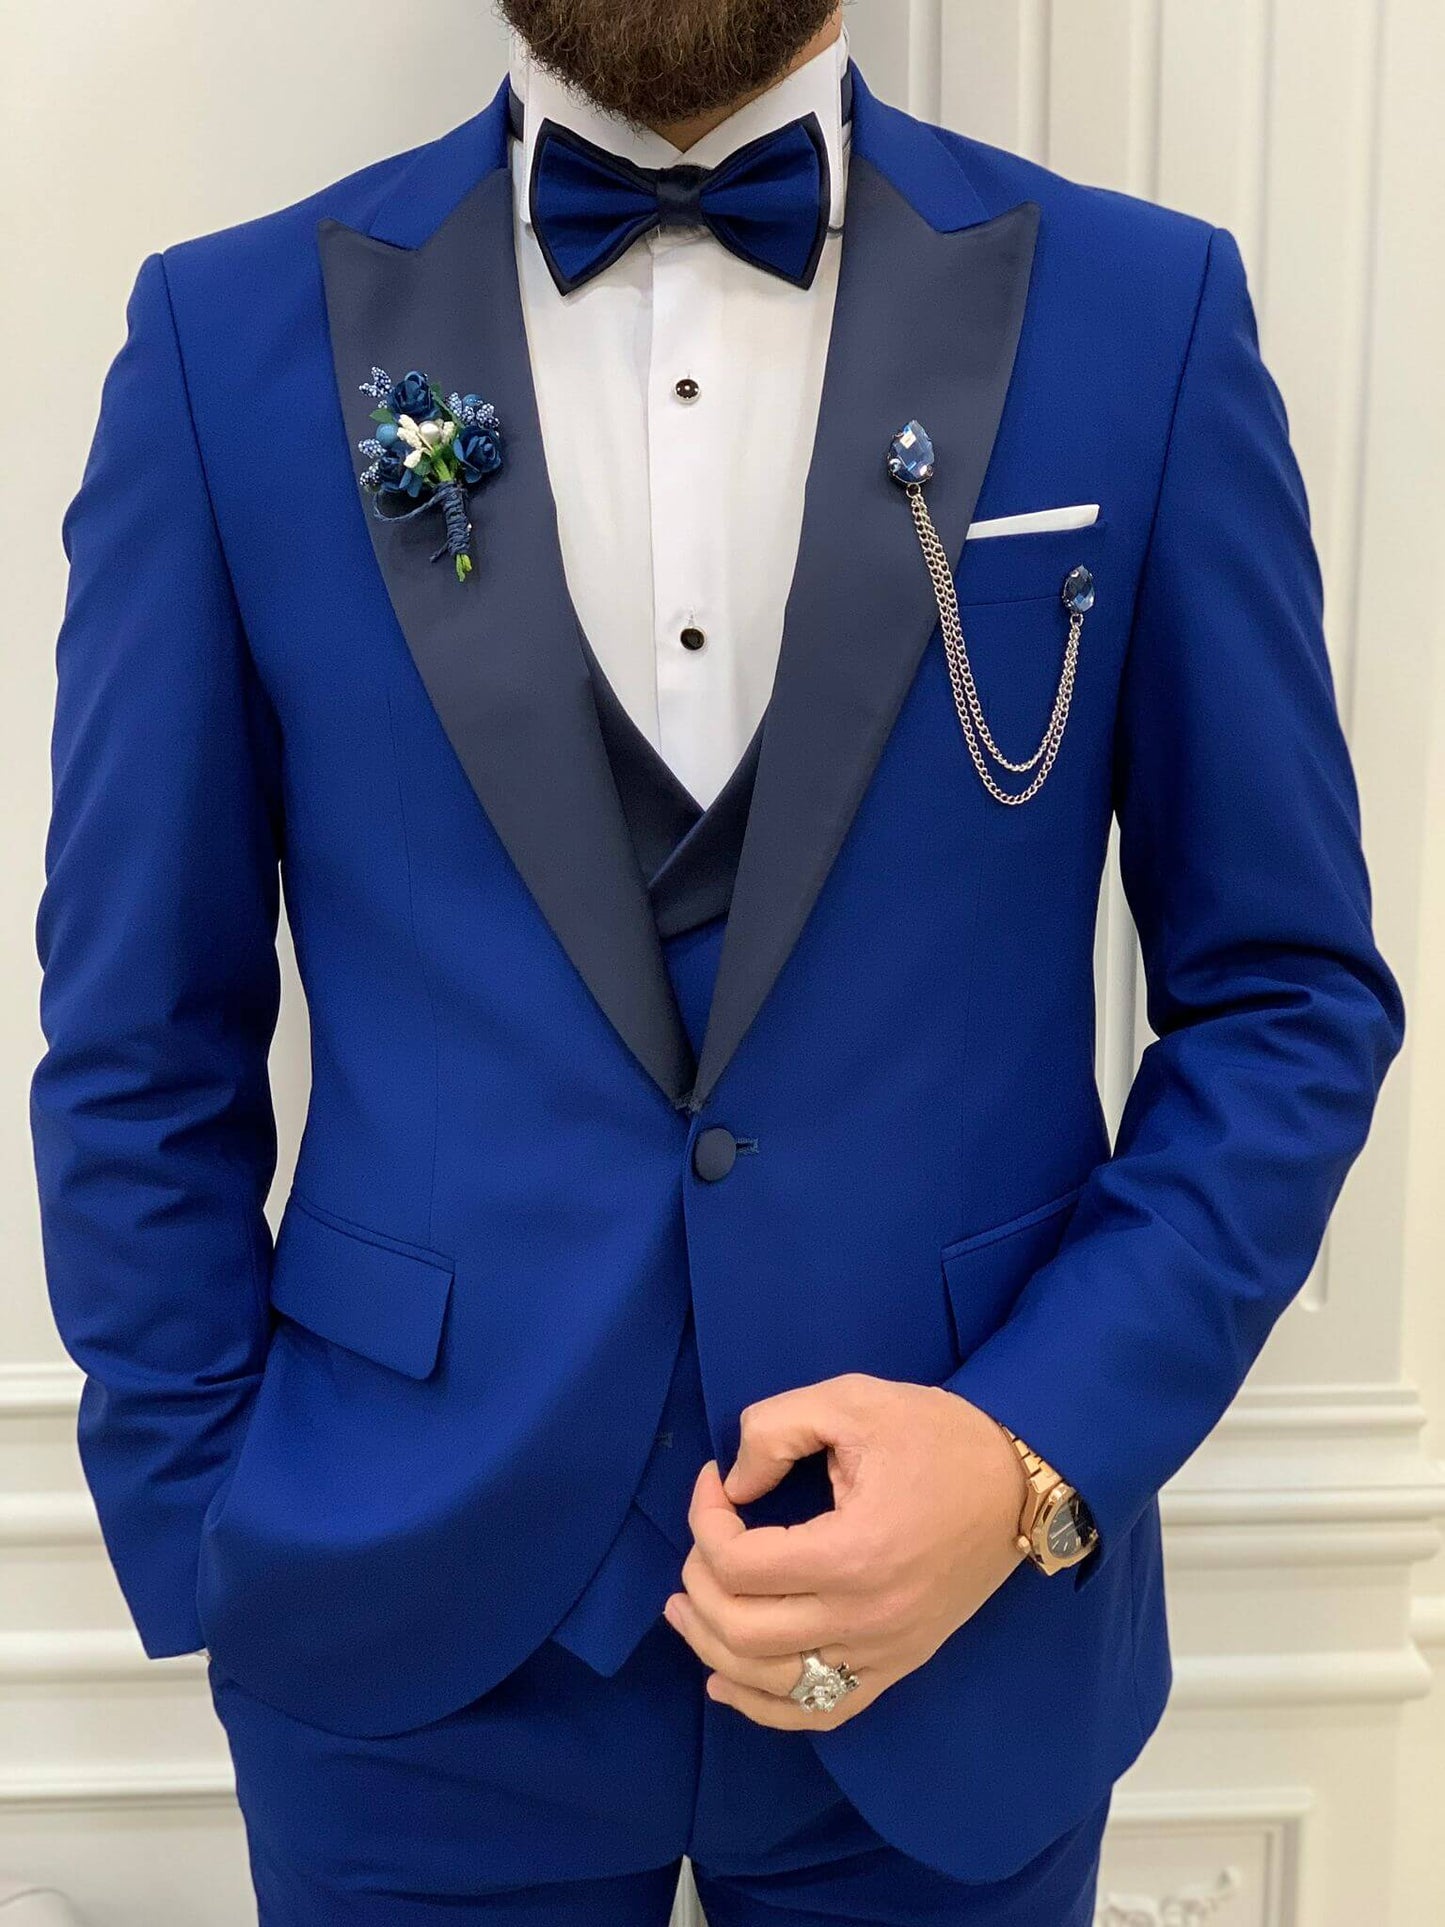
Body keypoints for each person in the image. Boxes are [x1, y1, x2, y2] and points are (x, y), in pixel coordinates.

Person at [30, 2, 1404, 1921]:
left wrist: (1026, 1453)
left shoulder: (1141, 315)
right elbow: (138, 1032)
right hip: (399, 1648)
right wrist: (214, 1534)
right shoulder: (223, 341)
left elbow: (1284, 1000)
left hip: (961, 1632)